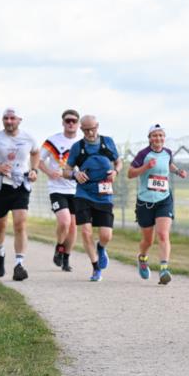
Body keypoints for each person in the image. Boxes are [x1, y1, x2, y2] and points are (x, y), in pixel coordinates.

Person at [0, 108, 40, 281]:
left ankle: (19, 264)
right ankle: (0, 252)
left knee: (20, 224)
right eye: (6, 118)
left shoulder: (28, 138)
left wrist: (34, 170)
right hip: (0, 186)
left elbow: (36, 153)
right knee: (0, 225)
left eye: (12, 118)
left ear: (19, 120)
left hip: (21, 185)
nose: (9, 121)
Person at [63, 115, 121, 282]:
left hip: (104, 194)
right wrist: (75, 174)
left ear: (98, 126)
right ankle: (96, 268)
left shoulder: (108, 142)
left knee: (106, 235)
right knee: (86, 231)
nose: (90, 132)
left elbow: (118, 162)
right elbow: (65, 171)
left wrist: (115, 171)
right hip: (84, 193)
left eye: (93, 128)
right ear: (81, 130)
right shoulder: (77, 147)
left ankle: (101, 248)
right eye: (86, 129)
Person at [128, 123, 186, 284]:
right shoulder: (143, 154)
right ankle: (142, 258)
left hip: (164, 199)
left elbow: (168, 164)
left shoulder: (167, 152)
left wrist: (178, 171)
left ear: (164, 138)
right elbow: (130, 173)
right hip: (145, 202)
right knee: (148, 241)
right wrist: (146, 167)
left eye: (161, 135)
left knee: (163, 234)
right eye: (155, 135)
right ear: (149, 138)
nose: (158, 138)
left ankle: (163, 269)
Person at [40, 109, 81, 272]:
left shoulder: (82, 142)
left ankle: (66, 259)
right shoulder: (53, 141)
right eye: (68, 121)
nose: (70, 123)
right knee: (64, 221)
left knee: (73, 226)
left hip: (76, 189)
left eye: (73, 121)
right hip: (57, 188)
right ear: (63, 122)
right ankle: (59, 246)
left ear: (78, 124)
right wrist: (49, 172)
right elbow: (38, 160)